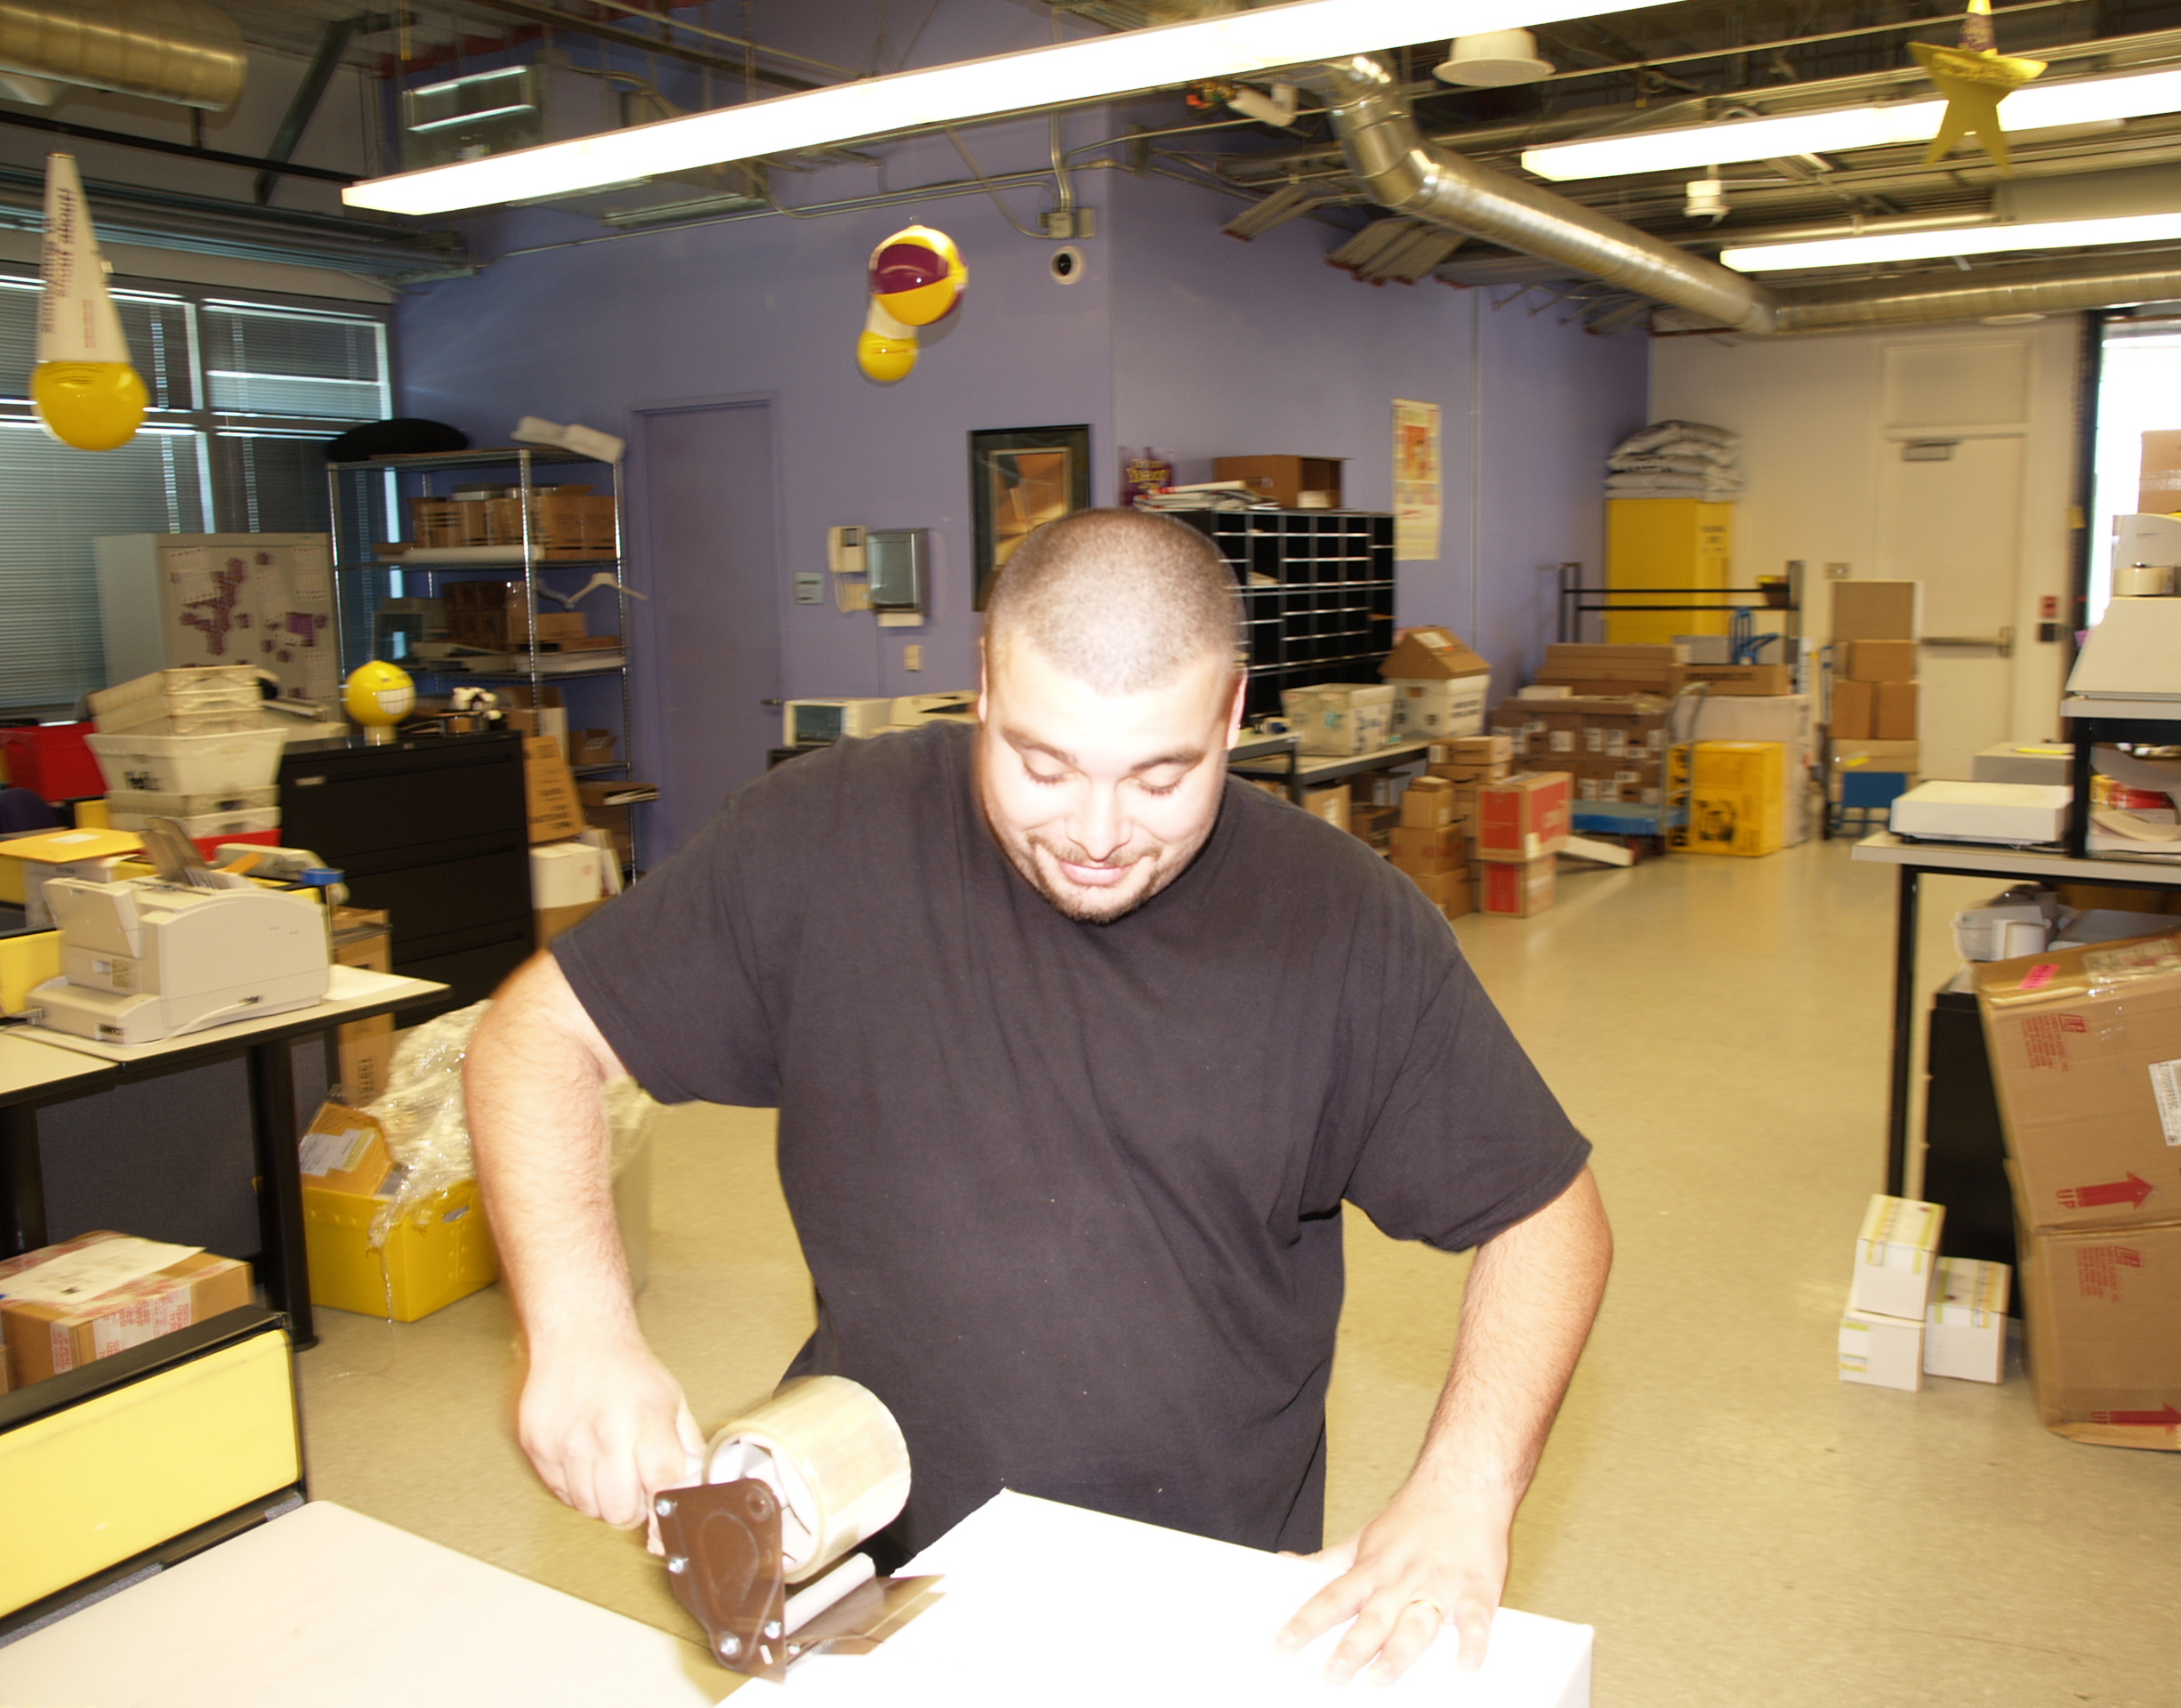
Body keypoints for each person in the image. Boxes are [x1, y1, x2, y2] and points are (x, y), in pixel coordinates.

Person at [464, 507, 1612, 1688]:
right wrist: (579, 1328)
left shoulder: (1343, 925)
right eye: (1043, 765)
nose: (1097, 835)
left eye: (1161, 775)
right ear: (984, 685)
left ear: (1232, 712)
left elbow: (1548, 1216)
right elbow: (534, 1038)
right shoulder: (823, 836)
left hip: (1198, 1600)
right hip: (876, 1575)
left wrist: (1466, 1490)